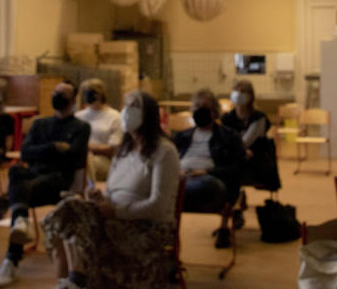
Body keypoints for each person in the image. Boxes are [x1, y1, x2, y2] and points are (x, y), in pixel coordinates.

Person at [41, 90, 180, 289]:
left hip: (145, 226)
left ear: (149, 114)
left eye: (134, 106)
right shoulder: (123, 150)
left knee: (70, 214)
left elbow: (158, 206)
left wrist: (116, 211)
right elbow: (112, 193)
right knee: (69, 212)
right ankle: (70, 282)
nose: (126, 111)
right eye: (126, 106)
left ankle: (73, 282)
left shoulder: (164, 151)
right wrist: (99, 197)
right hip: (114, 217)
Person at [0, 80, 91, 287]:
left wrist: (44, 151)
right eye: (56, 92)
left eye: (63, 93)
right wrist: (55, 147)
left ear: (72, 100)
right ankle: (19, 228)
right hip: (34, 178)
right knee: (16, 172)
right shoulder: (40, 124)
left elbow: (74, 156)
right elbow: (26, 153)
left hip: (59, 183)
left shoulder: (81, 127)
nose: (57, 96)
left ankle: (12, 258)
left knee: (20, 194)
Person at [173, 88, 245, 249]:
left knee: (205, 185)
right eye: (196, 107)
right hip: (181, 176)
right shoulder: (182, 136)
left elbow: (237, 168)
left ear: (214, 112)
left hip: (208, 181)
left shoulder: (228, 136)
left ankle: (178, 191)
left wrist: (205, 172)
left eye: (204, 107)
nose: (199, 111)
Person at [221, 80, 281, 225]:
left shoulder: (258, 118)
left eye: (243, 92)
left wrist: (236, 149)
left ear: (250, 97)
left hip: (256, 163)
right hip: (237, 159)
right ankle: (235, 206)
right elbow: (223, 141)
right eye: (236, 91)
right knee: (225, 170)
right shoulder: (227, 118)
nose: (238, 95)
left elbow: (246, 142)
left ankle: (235, 208)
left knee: (231, 172)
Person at [74, 78, 122, 182]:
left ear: (100, 94)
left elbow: (112, 149)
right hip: (81, 156)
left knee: (87, 160)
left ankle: (87, 192)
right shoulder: (78, 116)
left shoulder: (115, 117)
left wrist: (88, 147)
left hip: (104, 161)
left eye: (90, 92)